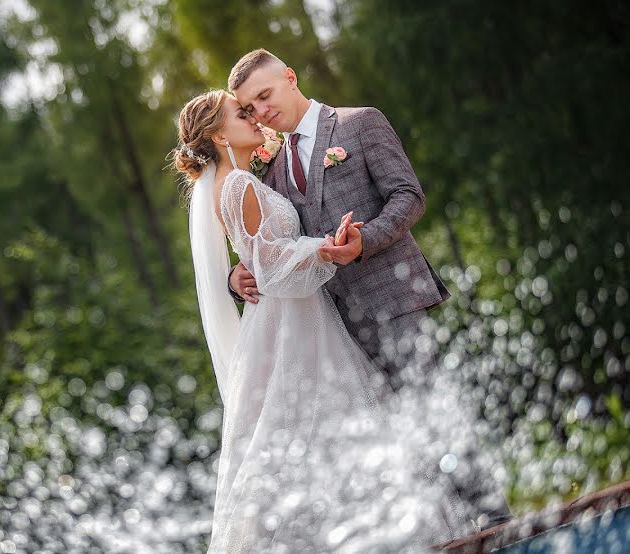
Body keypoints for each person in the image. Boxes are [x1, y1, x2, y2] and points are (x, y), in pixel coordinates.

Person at [173, 89, 473, 553]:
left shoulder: (243, 177)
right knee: (323, 431)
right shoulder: (238, 184)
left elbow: (255, 255)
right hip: (293, 323)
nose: (255, 118)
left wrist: (244, 269)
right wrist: (326, 247)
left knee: (306, 440)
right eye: (241, 113)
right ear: (216, 134)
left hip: (299, 320)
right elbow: (271, 268)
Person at [226, 48, 512, 530]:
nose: (261, 111)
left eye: (265, 95)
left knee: (434, 415)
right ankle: (453, 533)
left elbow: (408, 196)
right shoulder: (272, 172)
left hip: (392, 301)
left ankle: (497, 525)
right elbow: (270, 246)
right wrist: (235, 278)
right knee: (396, 440)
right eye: (250, 108)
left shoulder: (359, 124)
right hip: (332, 331)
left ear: (290, 78)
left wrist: (365, 241)